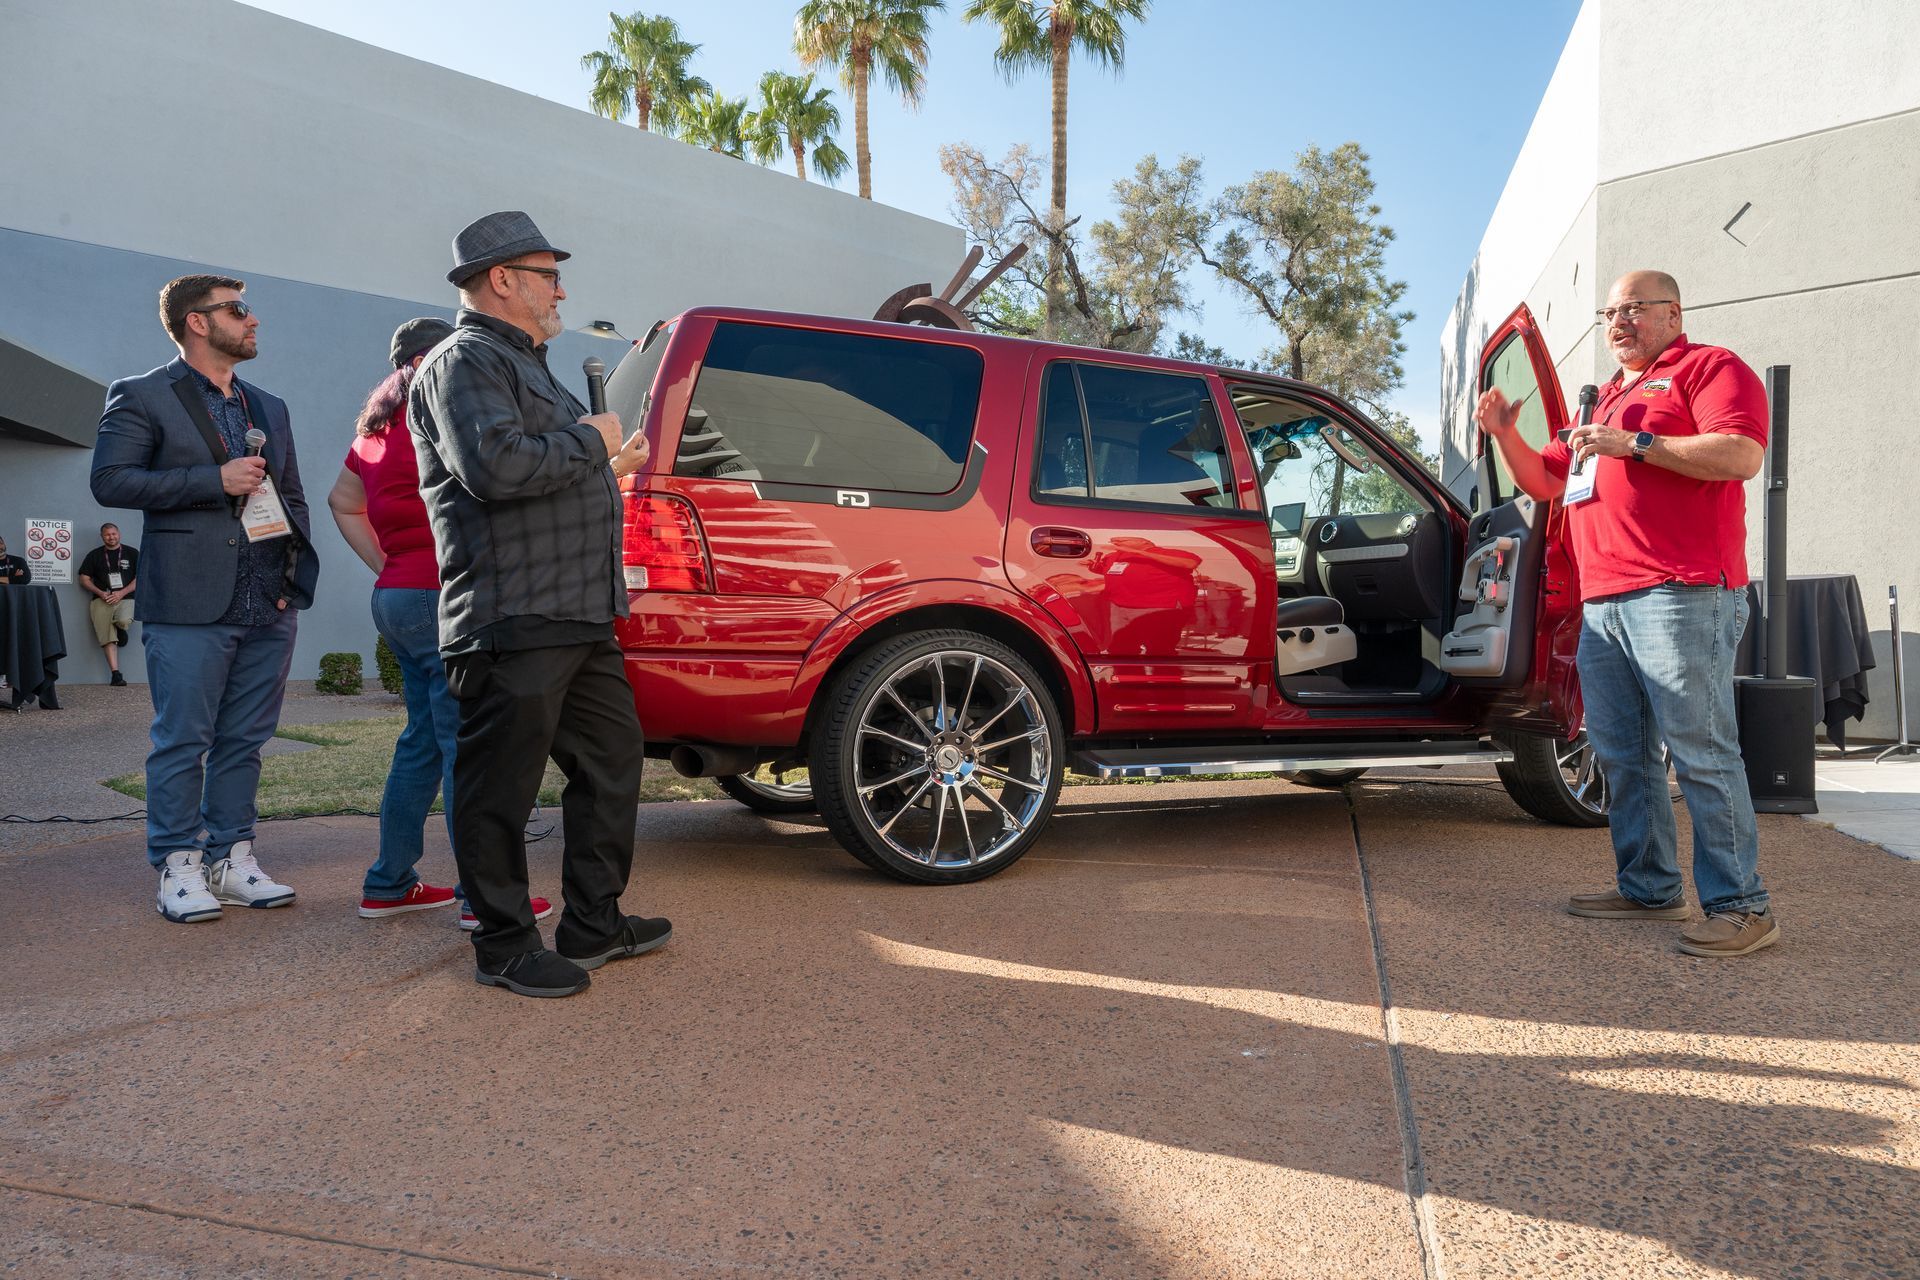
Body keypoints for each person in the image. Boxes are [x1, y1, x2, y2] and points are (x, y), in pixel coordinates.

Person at [1476, 269, 1776, 958]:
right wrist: (1504, 434)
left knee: (1700, 751)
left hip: (1683, 590)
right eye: (1611, 311)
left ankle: (1742, 905)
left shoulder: (1709, 368)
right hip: (1604, 601)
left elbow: (1741, 453)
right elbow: (1546, 480)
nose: (1619, 321)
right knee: (1621, 753)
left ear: (1674, 312)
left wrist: (1637, 444)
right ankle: (1649, 889)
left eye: (1635, 308)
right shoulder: (1605, 398)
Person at [409, 211, 665, 997]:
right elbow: (494, 467)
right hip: (512, 614)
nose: (562, 288)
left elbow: (546, 466)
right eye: (548, 273)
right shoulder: (463, 361)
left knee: (615, 764)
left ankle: (594, 924)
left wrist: (602, 454)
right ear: (502, 280)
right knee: (500, 789)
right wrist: (593, 441)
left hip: (579, 613)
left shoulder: (523, 364)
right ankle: (505, 945)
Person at [91, 274, 320, 923]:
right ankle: (177, 865)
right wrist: (209, 480)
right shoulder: (142, 395)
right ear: (197, 321)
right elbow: (110, 479)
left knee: (244, 740)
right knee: (182, 739)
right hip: (188, 601)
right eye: (238, 310)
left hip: (267, 604)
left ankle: (231, 856)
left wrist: (287, 582)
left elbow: (292, 495)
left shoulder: (268, 407)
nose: (252, 321)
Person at [328, 317, 555, 929]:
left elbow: (341, 501)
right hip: (446, 594)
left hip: (397, 596)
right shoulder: (444, 415)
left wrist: (386, 562)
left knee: (422, 741)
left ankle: (389, 883)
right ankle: (481, 899)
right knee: (468, 750)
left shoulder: (375, 431)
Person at [77, 523, 139, 686]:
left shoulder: (132, 553)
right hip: (101, 599)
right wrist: (101, 593)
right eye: (107, 535)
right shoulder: (94, 555)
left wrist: (121, 593)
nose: (111, 537)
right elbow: (84, 578)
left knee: (124, 620)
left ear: (119, 534)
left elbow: (140, 578)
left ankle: (120, 629)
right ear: (102, 536)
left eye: (113, 534)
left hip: (126, 597)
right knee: (106, 637)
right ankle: (115, 674)